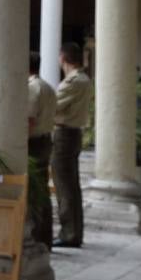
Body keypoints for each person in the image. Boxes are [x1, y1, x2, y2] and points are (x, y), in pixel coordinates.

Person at [52, 43, 91, 248]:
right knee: (72, 186)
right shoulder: (83, 79)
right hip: (73, 133)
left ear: (63, 58)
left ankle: (69, 233)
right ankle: (74, 232)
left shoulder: (74, 81)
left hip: (65, 134)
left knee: (64, 186)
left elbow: (54, 104)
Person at [25, 52, 57, 249]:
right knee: (42, 190)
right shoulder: (48, 87)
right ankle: (45, 236)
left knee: (34, 190)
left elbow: (29, 120)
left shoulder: (32, 88)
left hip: (34, 142)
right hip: (46, 139)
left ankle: (35, 234)